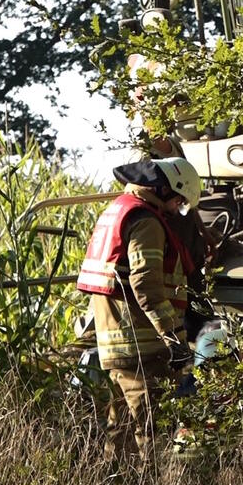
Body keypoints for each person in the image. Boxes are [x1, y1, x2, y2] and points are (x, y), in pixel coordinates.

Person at [77, 157, 200, 462]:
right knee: (152, 431)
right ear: (166, 190)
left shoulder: (120, 209)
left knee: (120, 429)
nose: (176, 210)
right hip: (141, 344)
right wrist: (174, 337)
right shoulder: (146, 222)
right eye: (179, 202)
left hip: (117, 343)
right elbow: (145, 284)